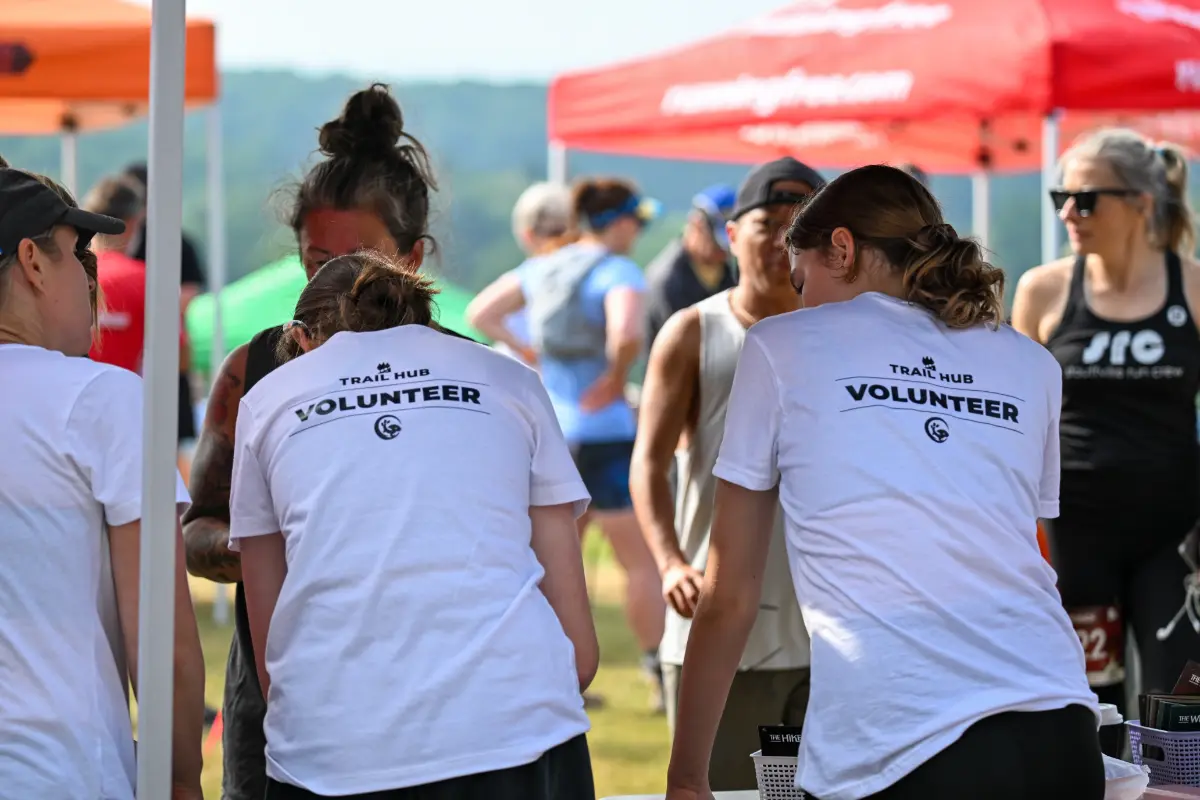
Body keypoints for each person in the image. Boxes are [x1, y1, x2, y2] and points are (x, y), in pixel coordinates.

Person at [667, 165, 1104, 800]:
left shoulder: (780, 344)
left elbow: (731, 593)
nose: (800, 302)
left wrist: (685, 777)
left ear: (841, 249)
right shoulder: (1030, 363)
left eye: (802, 281)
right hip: (1058, 725)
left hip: (898, 739)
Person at [230, 251, 598, 800]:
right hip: (518, 732)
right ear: (426, 319)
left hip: (330, 753)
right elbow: (579, 645)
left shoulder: (264, 402)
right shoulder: (510, 380)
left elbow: (268, 645)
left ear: (301, 338)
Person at [181, 83, 456, 800]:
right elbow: (196, 529)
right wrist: (253, 548)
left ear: (415, 257)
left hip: (434, 681)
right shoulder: (257, 366)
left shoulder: (471, 375)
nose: (332, 286)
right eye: (314, 261)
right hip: (282, 685)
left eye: (360, 263)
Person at [0, 160, 206, 799]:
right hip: (61, 771)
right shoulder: (101, 398)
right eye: (77, 258)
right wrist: (178, 779)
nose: (91, 282)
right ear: (33, 262)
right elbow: (163, 646)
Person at [630, 157, 822, 791]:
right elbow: (649, 463)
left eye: (802, 225)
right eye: (768, 223)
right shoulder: (694, 332)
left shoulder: (844, 342)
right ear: (733, 235)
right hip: (721, 638)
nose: (783, 240)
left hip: (828, 639)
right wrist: (668, 562)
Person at [1012, 128, 1200, 754]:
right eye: (1060, 196)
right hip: (1075, 536)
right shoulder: (1043, 290)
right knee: (1094, 719)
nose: (1068, 211)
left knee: (1180, 716)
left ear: (1142, 203)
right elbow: (1017, 419)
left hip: (1172, 539)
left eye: (1086, 199)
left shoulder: (1193, 288)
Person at [467, 176, 668, 711]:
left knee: (548, 562)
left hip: (550, 436)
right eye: (637, 220)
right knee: (641, 563)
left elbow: (481, 313)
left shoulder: (544, 265)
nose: (639, 232)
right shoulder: (617, 269)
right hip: (605, 435)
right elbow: (627, 333)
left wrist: (527, 350)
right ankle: (658, 676)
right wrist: (616, 375)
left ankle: (542, 675)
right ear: (619, 222)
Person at [123, 162, 206, 450]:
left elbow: (188, 295)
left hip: (167, 353)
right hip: (135, 356)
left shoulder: (177, 242)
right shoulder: (114, 242)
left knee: (171, 441)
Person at [469, 181, 578, 364]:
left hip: (523, 379)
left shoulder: (533, 272)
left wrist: (523, 349)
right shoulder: (583, 270)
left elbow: (479, 315)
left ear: (526, 234)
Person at [642, 184, 738, 356]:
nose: (724, 252)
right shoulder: (666, 280)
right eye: (717, 242)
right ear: (697, 225)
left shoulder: (731, 272)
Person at [83, 174, 149, 373]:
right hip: (128, 398)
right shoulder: (146, 279)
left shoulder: (60, 275)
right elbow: (178, 355)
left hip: (69, 398)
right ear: (132, 223)